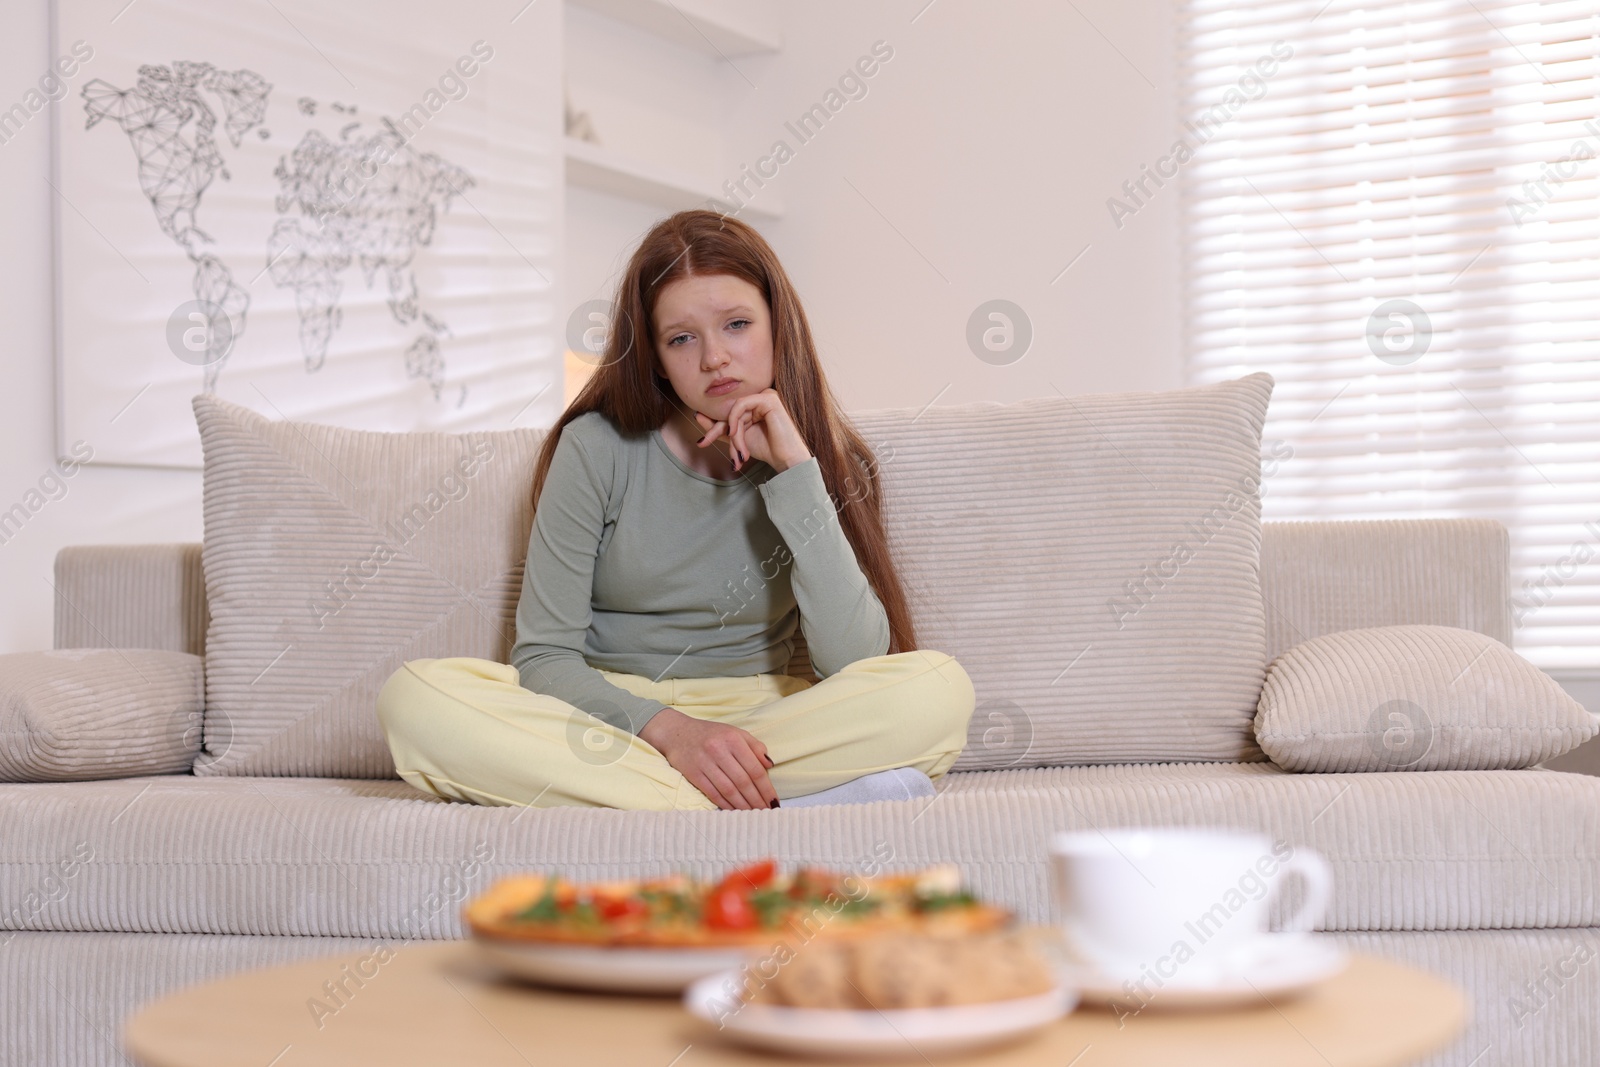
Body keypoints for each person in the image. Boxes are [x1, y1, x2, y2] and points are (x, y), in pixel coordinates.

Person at [374, 209, 975, 811]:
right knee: (417, 700)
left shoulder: (819, 460)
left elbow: (856, 664)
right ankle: (770, 805)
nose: (715, 357)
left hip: (766, 718)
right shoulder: (596, 447)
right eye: (682, 338)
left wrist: (795, 474)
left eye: (737, 324)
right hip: (618, 724)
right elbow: (544, 658)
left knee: (938, 690)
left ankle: (663, 807)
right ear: (656, 357)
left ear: (777, 326)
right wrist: (673, 733)